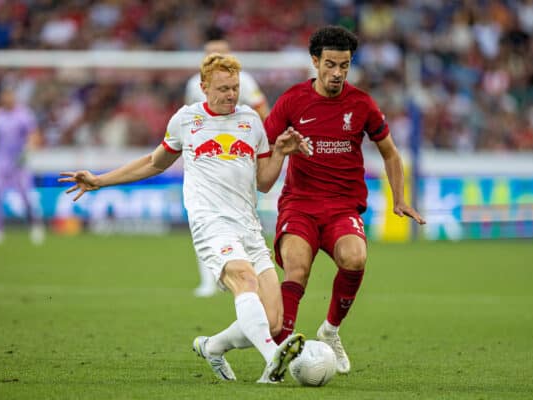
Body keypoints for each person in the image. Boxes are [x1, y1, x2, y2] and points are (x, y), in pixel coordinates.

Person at [59, 53, 308, 383]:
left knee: (274, 321)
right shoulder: (186, 120)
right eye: (223, 88)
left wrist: (278, 153)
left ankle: (212, 346)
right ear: (204, 88)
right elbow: (154, 162)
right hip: (211, 224)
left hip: (248, 227)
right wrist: (100, 180)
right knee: (244, 281)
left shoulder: (251, 121)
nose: (231, 95)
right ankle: (272, 360)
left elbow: (263, 181)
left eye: (234, 88)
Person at [264, 25, 426, 374]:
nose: (337, 73)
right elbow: (263, 148)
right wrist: (274, 157)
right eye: (331, 64)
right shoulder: (292, 100)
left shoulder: (362, 103)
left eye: (345, 65)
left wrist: (399, 198)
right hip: (300, 204)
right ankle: (280, 352)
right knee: (297, 269)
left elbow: (391, 154)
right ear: (315, 62)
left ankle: (331, 331)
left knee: (355, 258)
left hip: (342, 207)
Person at [185, 27, 271, 298]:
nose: (215, 56)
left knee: (241, 221)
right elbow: (189, 121)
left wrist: (266, 146)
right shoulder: (192, 85)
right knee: (203, 218)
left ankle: (243, 274)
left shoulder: (244, 81)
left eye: (220, 52)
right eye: (211, 52)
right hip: (206, 163)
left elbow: (261, 110)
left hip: (236, 160)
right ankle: (209, 280)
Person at [0, 85, 45, 246]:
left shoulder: (24, 114)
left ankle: (35, 226)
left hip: (19, 162)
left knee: (26, 196)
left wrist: (27, 150)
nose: (7, 99)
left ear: (13, 97)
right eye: (4, 96)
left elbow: (33, 134)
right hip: (0, 161)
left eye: (10, 96)